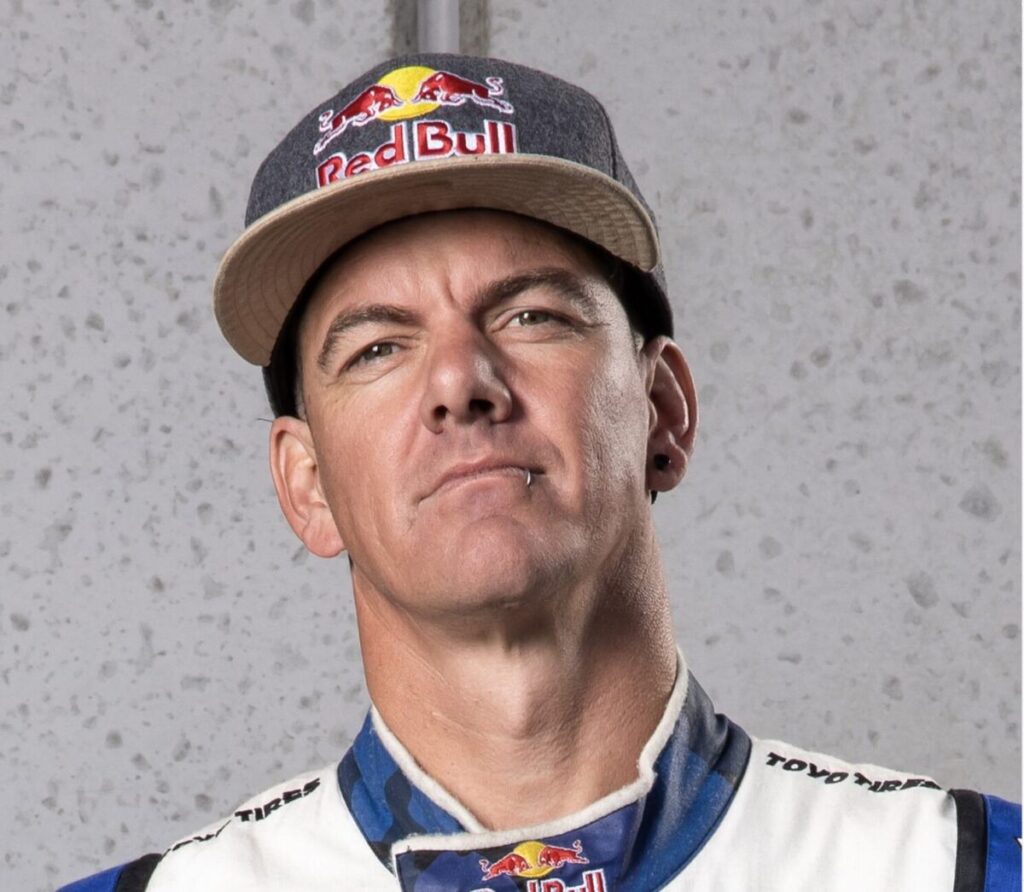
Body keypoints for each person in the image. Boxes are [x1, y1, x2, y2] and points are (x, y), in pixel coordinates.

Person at [58, 53, 1019, 892]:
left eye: (531, 316)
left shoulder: (955, 869)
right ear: (306, 484)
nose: (460, 384)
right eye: (378, 348)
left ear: (663, 410)